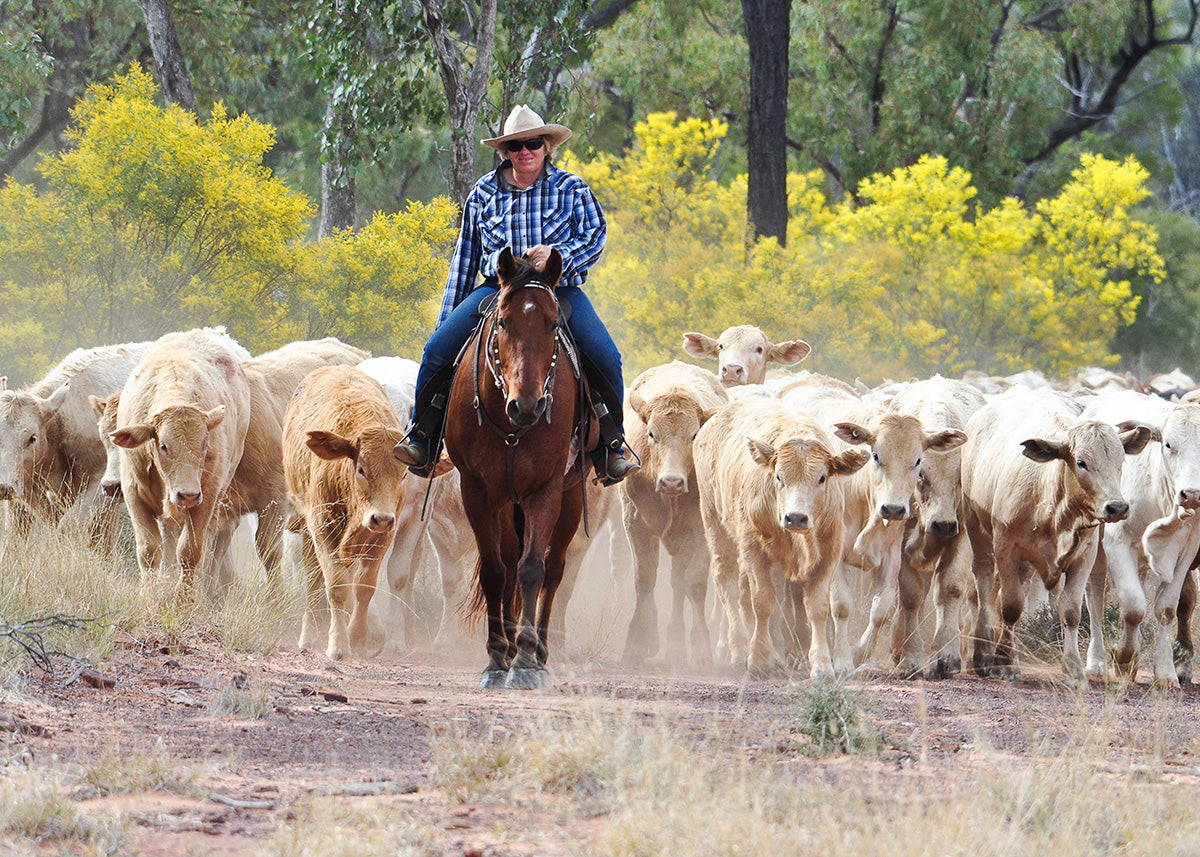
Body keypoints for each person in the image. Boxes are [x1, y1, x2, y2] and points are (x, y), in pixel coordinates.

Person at [394, 104, 639, 485]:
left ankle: (611, 446)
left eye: (533, 143)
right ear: (505, 151)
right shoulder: (483, 193)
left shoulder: (571, 188)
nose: (525, 152)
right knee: (437, 350)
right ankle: (422, 437)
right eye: (516, 146)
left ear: (546, 147)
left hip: (559, 290)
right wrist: (448, 318)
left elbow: (595, 236)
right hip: (499, 289)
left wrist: (558, 255)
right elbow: (465, 258)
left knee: (606, 356)